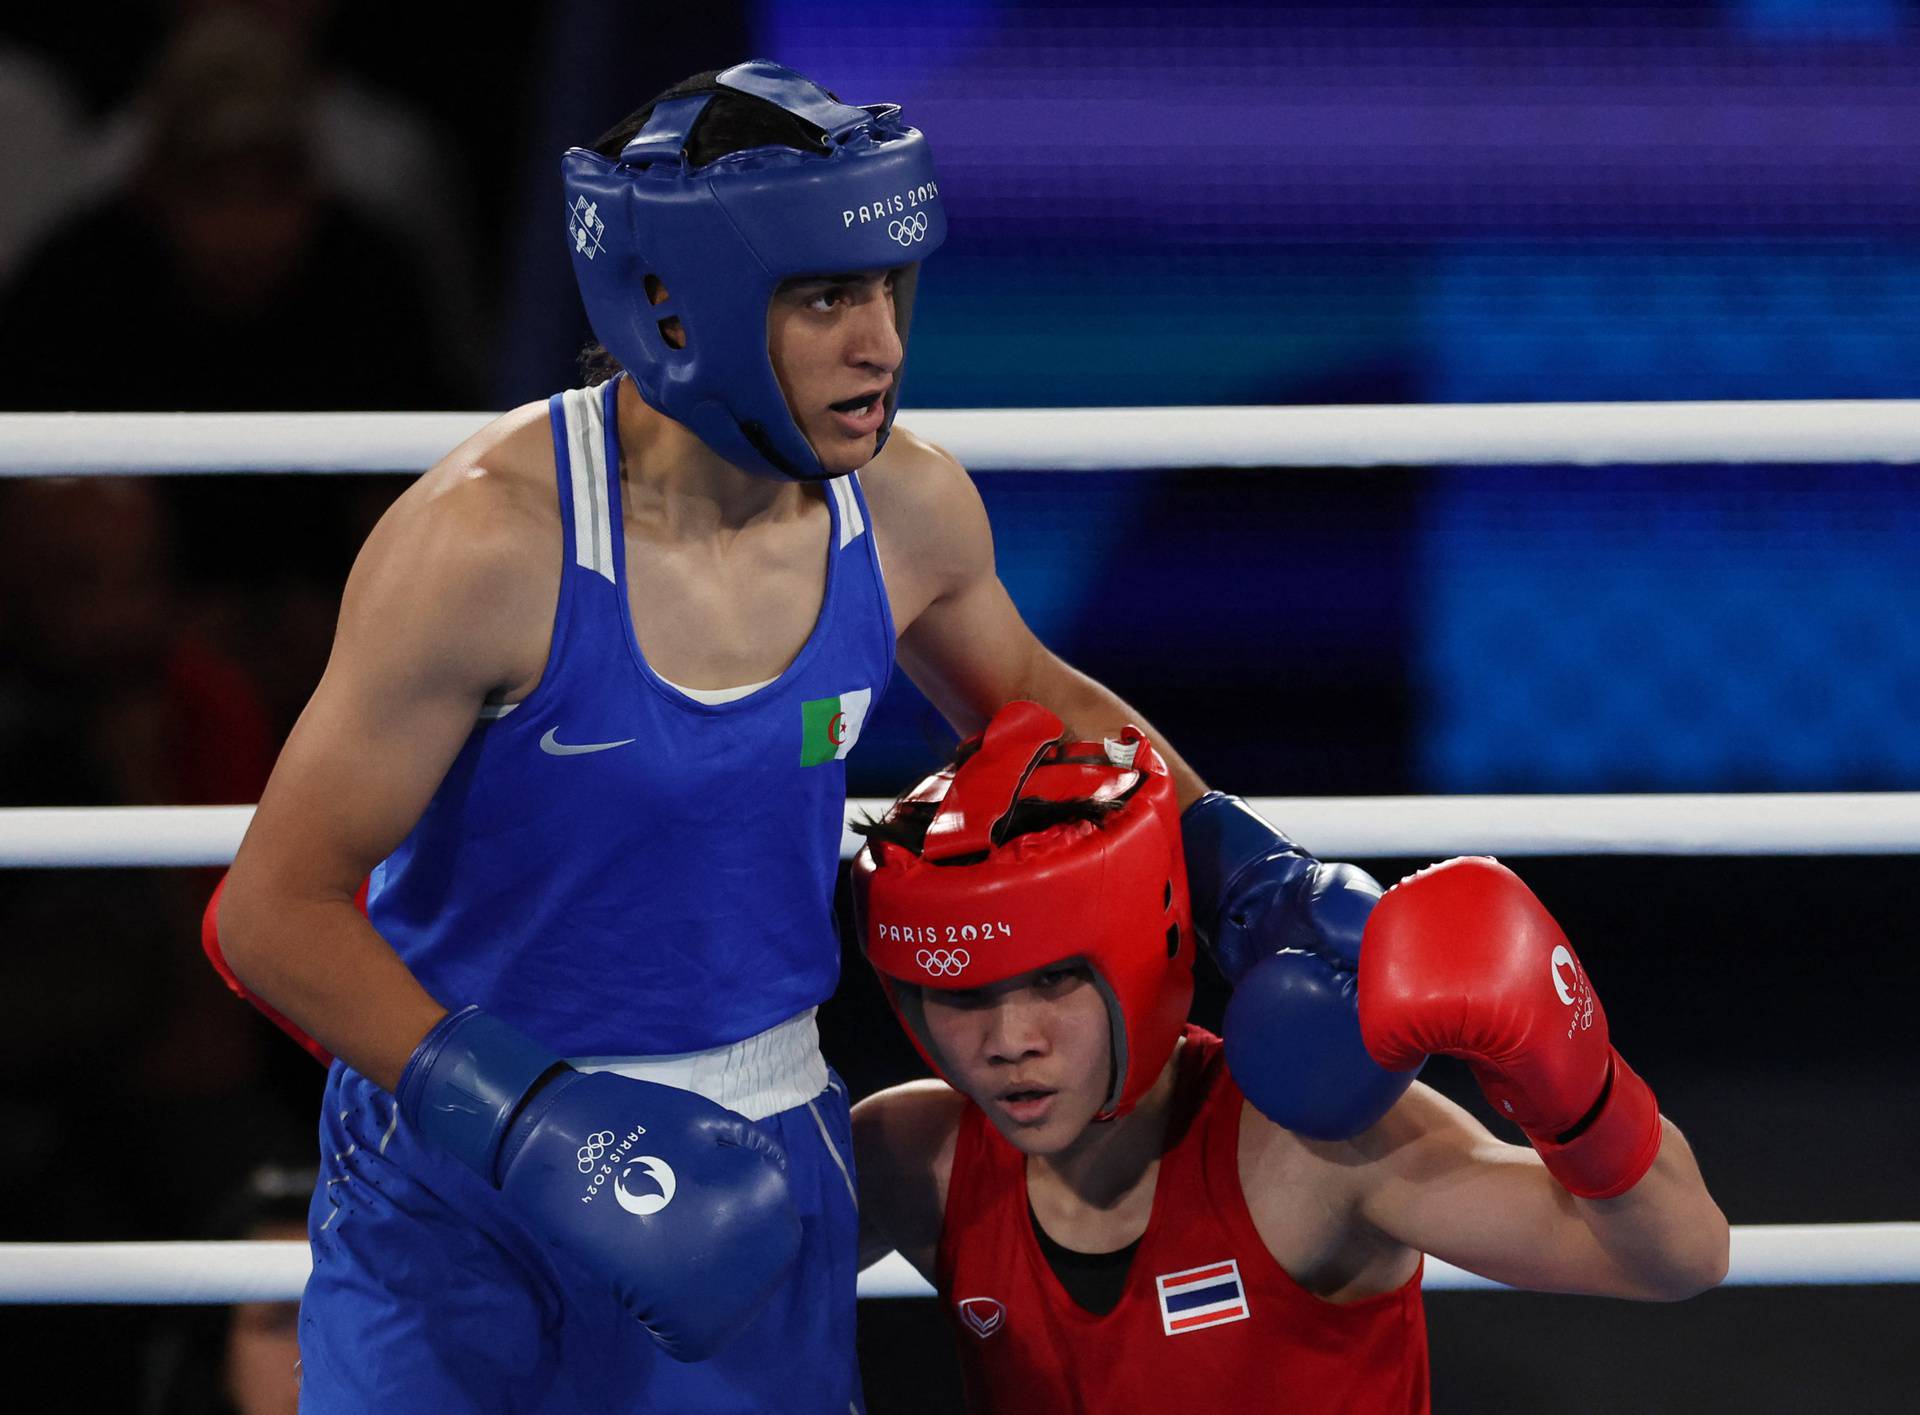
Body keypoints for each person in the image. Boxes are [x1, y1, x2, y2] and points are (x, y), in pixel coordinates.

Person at [213, 60, 1364, 1412]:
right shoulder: (485, 548)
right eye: (824, 296)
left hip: (753, 1155)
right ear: (674, 303)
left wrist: (1254, 873)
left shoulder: (908, 508)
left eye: (886, 289)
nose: (879, 343)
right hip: (460, 1186)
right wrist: (532, 1125)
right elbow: (272, 913)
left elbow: (1046, 709)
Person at [850, 701, 1730, 1413]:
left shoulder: (1302, 1152)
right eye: (963, 995)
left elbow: (1678, 1256)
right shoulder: (913, 1157)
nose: (1009, 1043)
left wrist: (1577, 1092)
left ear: (1137, 956)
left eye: (1051, 983)